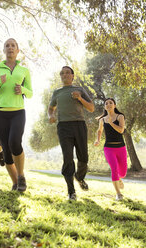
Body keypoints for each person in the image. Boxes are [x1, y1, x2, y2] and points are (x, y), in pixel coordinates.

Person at [0, 38, 32, 192]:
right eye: (7, 46)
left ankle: (21, 176)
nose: (10, 48)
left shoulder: (24, 70)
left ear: (18, 50)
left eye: (13, 45)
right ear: (4, 50)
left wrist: (23, 90)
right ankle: (15, 184)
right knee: (5, 149)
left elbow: (30, 93)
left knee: (14, 142)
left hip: (18, 112)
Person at [48, 66, 95, 201]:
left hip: (79, 125)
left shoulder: (79, 90)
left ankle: (79, 177)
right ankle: (71, 191)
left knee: (83, 158)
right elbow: (50, 108)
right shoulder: (57, 92)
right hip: (63, 127)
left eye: (68, 73)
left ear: (73, 76)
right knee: (67, 158)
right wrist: (50, 116)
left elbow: (91, 108)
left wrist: (80, 98)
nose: (65, 75)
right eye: (62, 73)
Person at [94, 98, 127, 201]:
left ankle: (120, 178)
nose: (108, 104)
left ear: (115, 105)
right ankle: (118, 194)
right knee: (114, 168)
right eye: (106, 103)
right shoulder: (102, 120)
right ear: (105, 107)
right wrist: (98, 140)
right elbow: (99, 131)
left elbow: (121, 130)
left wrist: (111, 123)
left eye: (111, 103)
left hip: (121, 147)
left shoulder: (120, 116)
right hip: (108, 148)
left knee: (123, 172)